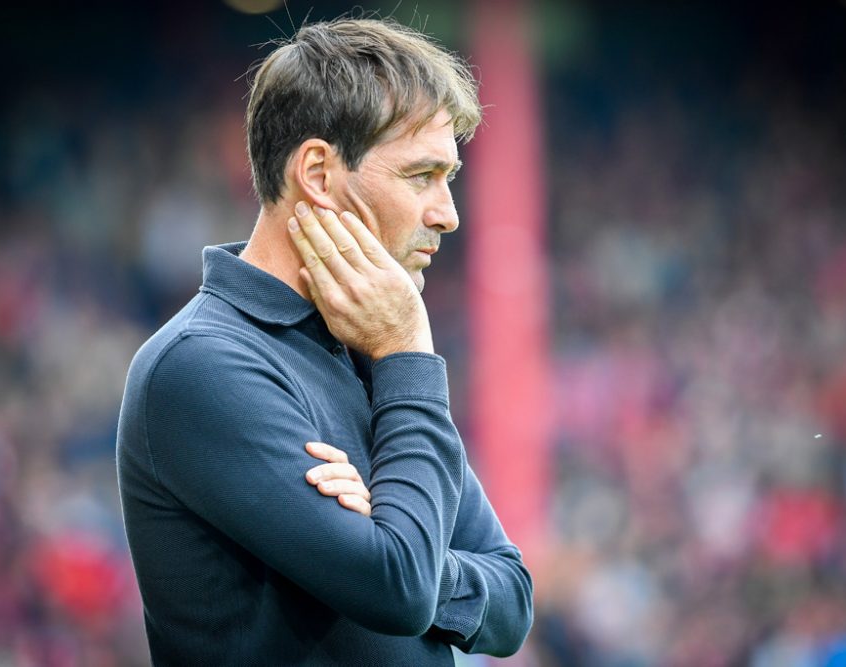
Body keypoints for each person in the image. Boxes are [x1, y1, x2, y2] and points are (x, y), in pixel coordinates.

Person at [116, 17, 533, 666]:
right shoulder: (201, 364)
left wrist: (405, 546)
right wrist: (406, 352)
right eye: (422, 175)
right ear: (317, 171)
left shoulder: (364, 343)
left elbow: (512, 602)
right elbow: (397, 586)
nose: (448, 213)